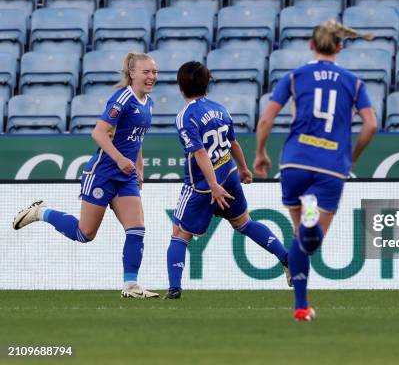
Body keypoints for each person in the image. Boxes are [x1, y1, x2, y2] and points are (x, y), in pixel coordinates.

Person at [254, 20, 377, 321]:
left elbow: (267, 120)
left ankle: (300, 306)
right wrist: (352, 155)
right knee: (310, 242)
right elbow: (371, 124)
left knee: (299, 236)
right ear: (340, 47)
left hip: (295, 160)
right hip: (331, 165)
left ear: (311, 45)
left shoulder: (295, 76)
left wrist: (260, 152)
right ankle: (310, 225)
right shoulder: (353, 81)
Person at [13, 52, 159, 298]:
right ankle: (41, 211)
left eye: (154, 72)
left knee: (137, 229)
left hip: (125, 178)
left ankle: (131, 286)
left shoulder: (149, 103)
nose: (152, 77)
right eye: (146, 72)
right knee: (85, 234)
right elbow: (99, 133)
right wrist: (120, 159)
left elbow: (136, 138)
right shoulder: (122, 99)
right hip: (102, 174)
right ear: (132, 73)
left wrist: (139, 167)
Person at [164, 61, 291, 299]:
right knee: (244, 223)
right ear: (207, 85)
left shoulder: (185, 117)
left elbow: (200, 152)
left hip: (202, 186)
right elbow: (233, 143)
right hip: (229, 174)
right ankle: (286, 258)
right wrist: (243, 168)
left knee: (180, 234)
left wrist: (212, 185)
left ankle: (174, 288)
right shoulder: (221, 109)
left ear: (180, 87)